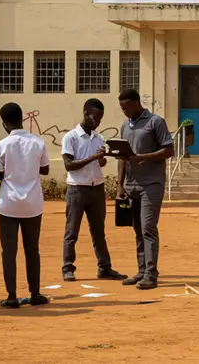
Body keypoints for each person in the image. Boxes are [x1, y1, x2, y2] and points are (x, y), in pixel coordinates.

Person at [0, 102, 50, 308]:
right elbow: (45, 170)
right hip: (32, 204)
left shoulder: (2, 145)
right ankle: (35, 293)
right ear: (22, 119)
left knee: (8, 250)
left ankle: (12, 295)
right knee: (32, 249)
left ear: (5, 123)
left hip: (9, 203)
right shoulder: (38, 142)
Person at [61, 99, 125, 282]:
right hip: (77, 189)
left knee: (98, 231)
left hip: (97, 188)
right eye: (95, 117)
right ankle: (67, 267)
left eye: (100, 119)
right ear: (85, 113)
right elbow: (69, 165)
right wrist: (93, 157)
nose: (98, 122)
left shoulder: (98, 138)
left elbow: (100, 162)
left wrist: (102, 158)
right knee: (71, 231)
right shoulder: (71, 137)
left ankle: (104, 267)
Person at [116, 89, 174, 290]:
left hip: (151, 184)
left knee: (148, 228)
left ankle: (151, 274)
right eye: (121, 107)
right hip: (131, 185)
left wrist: (144, 157)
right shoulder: (125, 125)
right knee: (138, 230)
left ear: (136, 103)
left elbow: (169, 150)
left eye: (126, 107)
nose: (123, 111)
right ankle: (142, 271)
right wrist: (119, 185)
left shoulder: (155, 122)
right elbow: (122, 159)